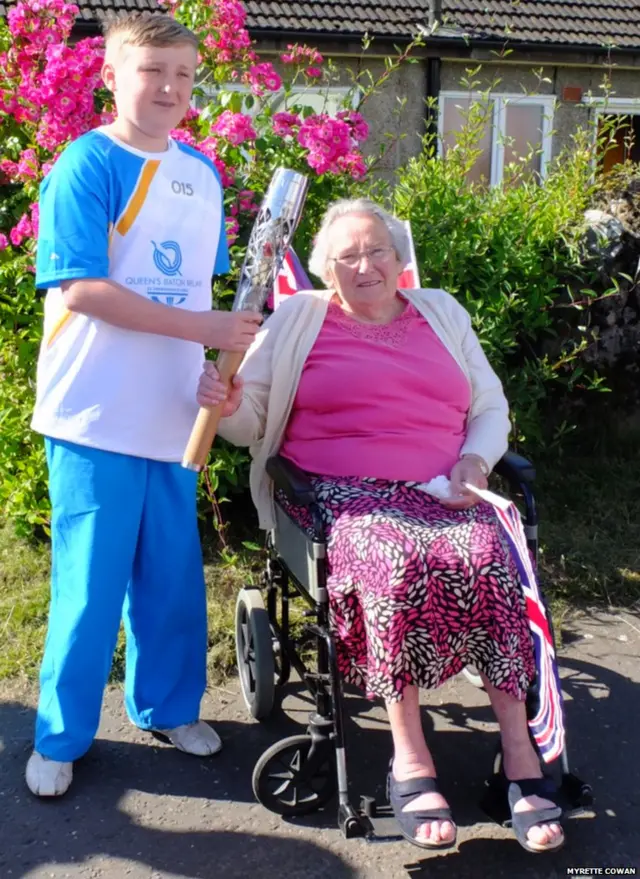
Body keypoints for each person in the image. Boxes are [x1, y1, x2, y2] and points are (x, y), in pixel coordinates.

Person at [197, 198, 565, 854]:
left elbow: (488, 404)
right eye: (347, 256)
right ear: (325, 268)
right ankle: (409, 756)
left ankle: (520, 753)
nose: (365, 266)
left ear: (400, 259)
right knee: (392, 561)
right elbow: (250, 419)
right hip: (344, 497)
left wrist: (475, 460)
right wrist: (226, 403)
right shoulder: (298, 319)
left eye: (377, 252)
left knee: (492, 555)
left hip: (444, 484)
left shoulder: (442, 310)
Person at [26, 11, 262, 798]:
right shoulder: (84, 165)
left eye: (184, 75)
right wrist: (203, 325)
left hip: (173, 414)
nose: (168, 87)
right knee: (89, 584)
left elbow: (200, 297)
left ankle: (166, 705)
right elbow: (83, 289)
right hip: (92, 413)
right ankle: (60, 736)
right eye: (151, 70)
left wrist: (211, 370)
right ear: (113, 76)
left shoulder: (203, 174)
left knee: (170, 577)